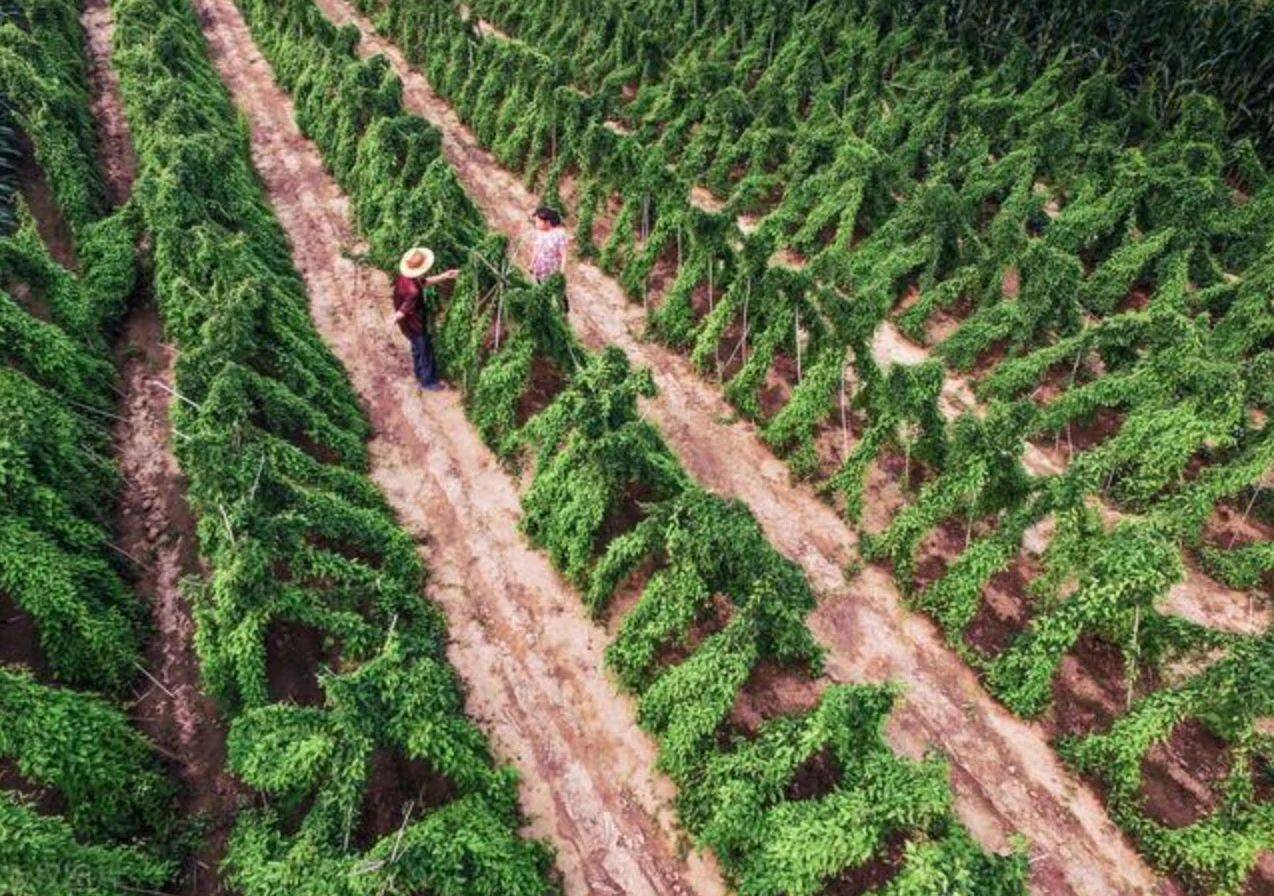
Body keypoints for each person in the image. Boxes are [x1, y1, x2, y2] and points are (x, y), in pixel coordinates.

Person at [393, 247, 457, 391]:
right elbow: (404, 309)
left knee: (416, 347)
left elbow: (424, 282)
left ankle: (419, 372)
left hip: (407, 324)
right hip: (414, 323)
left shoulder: (405, 278)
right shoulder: (413, 291)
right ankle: (429, 382)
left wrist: (445, 276)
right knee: (424, 349)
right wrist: (396, 317)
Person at [529, 205, 569, 288]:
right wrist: (531, 264)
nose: (536, 224)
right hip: (539, 270)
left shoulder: (559, 234)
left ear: (547, 222)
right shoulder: (539, 233)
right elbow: (536, 249)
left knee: (553, 291)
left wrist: (561, 272)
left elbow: (564, 255)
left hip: (552, 272)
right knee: (540, 288)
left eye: (538, 222)